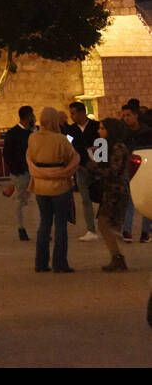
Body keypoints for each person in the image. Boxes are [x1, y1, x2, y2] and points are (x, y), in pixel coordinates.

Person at [27, 106, 79, 273]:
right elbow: (71, 158)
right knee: (61, 225)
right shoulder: (61, 139)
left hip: (40, 185)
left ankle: (40, 263)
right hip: (59, 185)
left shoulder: (33, 138)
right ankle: (60, 263)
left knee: (44, 223)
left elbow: (30, 157)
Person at [87, 118, 131, 271]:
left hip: (116, 190)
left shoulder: (117, 147)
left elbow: (113, 171)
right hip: (109, 189)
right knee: (106, 224)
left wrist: (95, 168)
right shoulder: (106, 146)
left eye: (102, 128)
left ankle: (118, 257)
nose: (99, 131)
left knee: (105, 223)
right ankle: (116, 256)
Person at [63, 102, 100, 241]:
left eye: (73, 113)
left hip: (99, 168)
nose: (71, 116)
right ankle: (91, 229)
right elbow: (70, 147)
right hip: (82, 168)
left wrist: (99, 161)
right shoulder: (70, 131)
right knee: (85, 199)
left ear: (81, 112)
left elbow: (102, 144)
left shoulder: (96, 126)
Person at [119, 100, 152, 241]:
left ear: (136, 115)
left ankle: (145, 232)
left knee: (144, 199)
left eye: (129, 115)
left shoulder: (146, 132)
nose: (126, 118)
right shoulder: (122, 132)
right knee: (129, 200)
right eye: (124, 115)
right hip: (127, 168)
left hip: (143, 168)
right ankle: (127, 231)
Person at [3, 106, 37, 241]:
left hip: (34, 172)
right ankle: (21, 227)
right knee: (21, 200)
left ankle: (41, 227)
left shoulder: (34, 132)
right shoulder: (13, 134)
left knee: (38, 200)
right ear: (28, 116)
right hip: (21, 172)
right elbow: (7, 154)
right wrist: (16, 171)